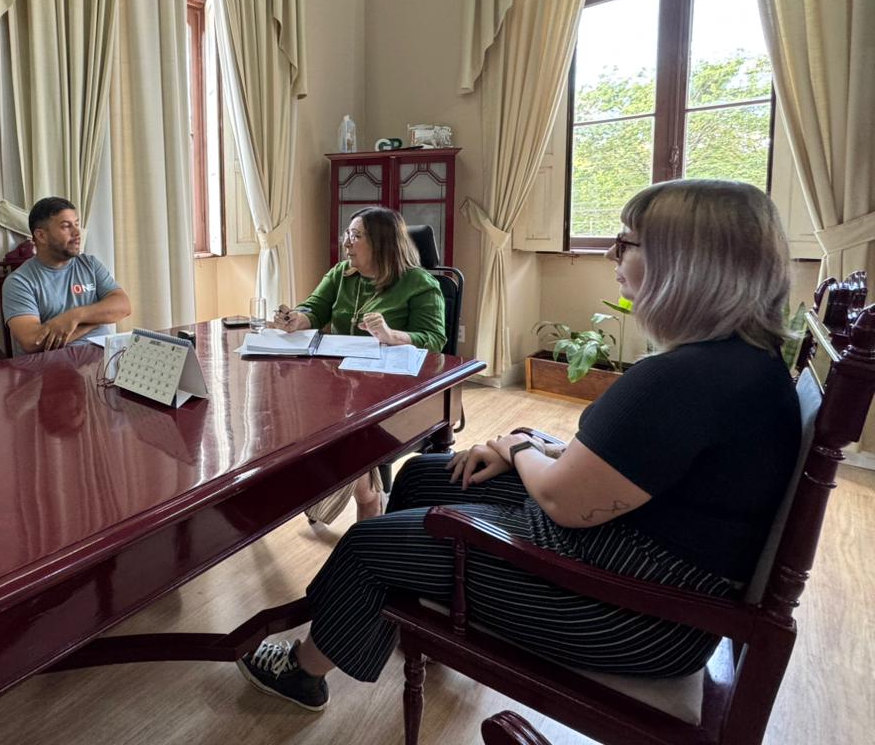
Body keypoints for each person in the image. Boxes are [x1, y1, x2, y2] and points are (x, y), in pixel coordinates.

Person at [238, 179, 800, 711]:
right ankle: (399, 616)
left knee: (366, 543)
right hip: (647, 572)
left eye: (626, 241)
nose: (610, 253)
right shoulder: (737, 364)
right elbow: (624, 470)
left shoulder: (682, 379)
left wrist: (519, 443)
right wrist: (526, 442)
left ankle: (302, 670)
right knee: (419, 476)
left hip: (632, 614)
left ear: (687, 262)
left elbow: (562, 501)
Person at [269, 206, 445, 521]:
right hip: (341, 388)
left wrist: (392, 335)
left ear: (382, 243)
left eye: (355, 236)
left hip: (393, 392)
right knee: (291, 413)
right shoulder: (341, 274)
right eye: (347, 234)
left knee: (336, 432)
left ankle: (364, 497)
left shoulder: (419, 283)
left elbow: (434, 340)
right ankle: (364, 490)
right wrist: (295, 319)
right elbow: (315, 309)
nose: (346, 243)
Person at [3, 197, 132, 352]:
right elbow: (32, 342)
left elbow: (123, 306)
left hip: (104, 357)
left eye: (77, 224)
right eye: (66, 226)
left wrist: (74, 317)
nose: (77, 233)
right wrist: (96, 321)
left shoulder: (89, 264)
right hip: (55, 365)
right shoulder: (19, 282)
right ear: (41, 236)